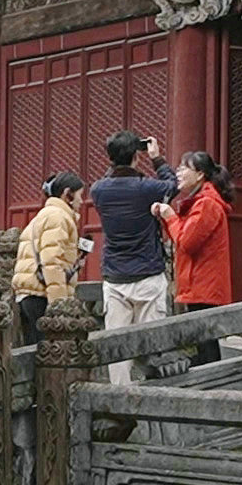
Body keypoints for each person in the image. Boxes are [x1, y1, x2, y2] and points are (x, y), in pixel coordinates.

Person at [90, 130, 178, 383]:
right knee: (152, 344)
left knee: (116, 347)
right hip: (148, 274)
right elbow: (173, 185)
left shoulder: (98, 190)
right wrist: (157, 158)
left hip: (115, 276)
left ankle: (118, 395)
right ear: (136, 157)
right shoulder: (147, 188)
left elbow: (110, 180)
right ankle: (152, 394)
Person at [152, 151, 232, 367]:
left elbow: (187, 242)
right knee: (203, 344)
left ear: (200, 175)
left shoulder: (207, 204)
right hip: (199, 283)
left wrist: (170, 217)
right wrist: (168, 218)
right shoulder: (201, 201)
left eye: (184, 168)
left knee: (205, 349)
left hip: (203, 285)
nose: (178, 172)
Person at [11, 172, 83, 346]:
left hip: (31, 292)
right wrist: (59, 305)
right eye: (79, 195)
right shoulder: (58, 217)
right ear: (67, 194)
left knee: (36, 349)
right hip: (42, 295)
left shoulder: (45, 215)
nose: (81, 201)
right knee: (50, 350)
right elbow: (52, 262)